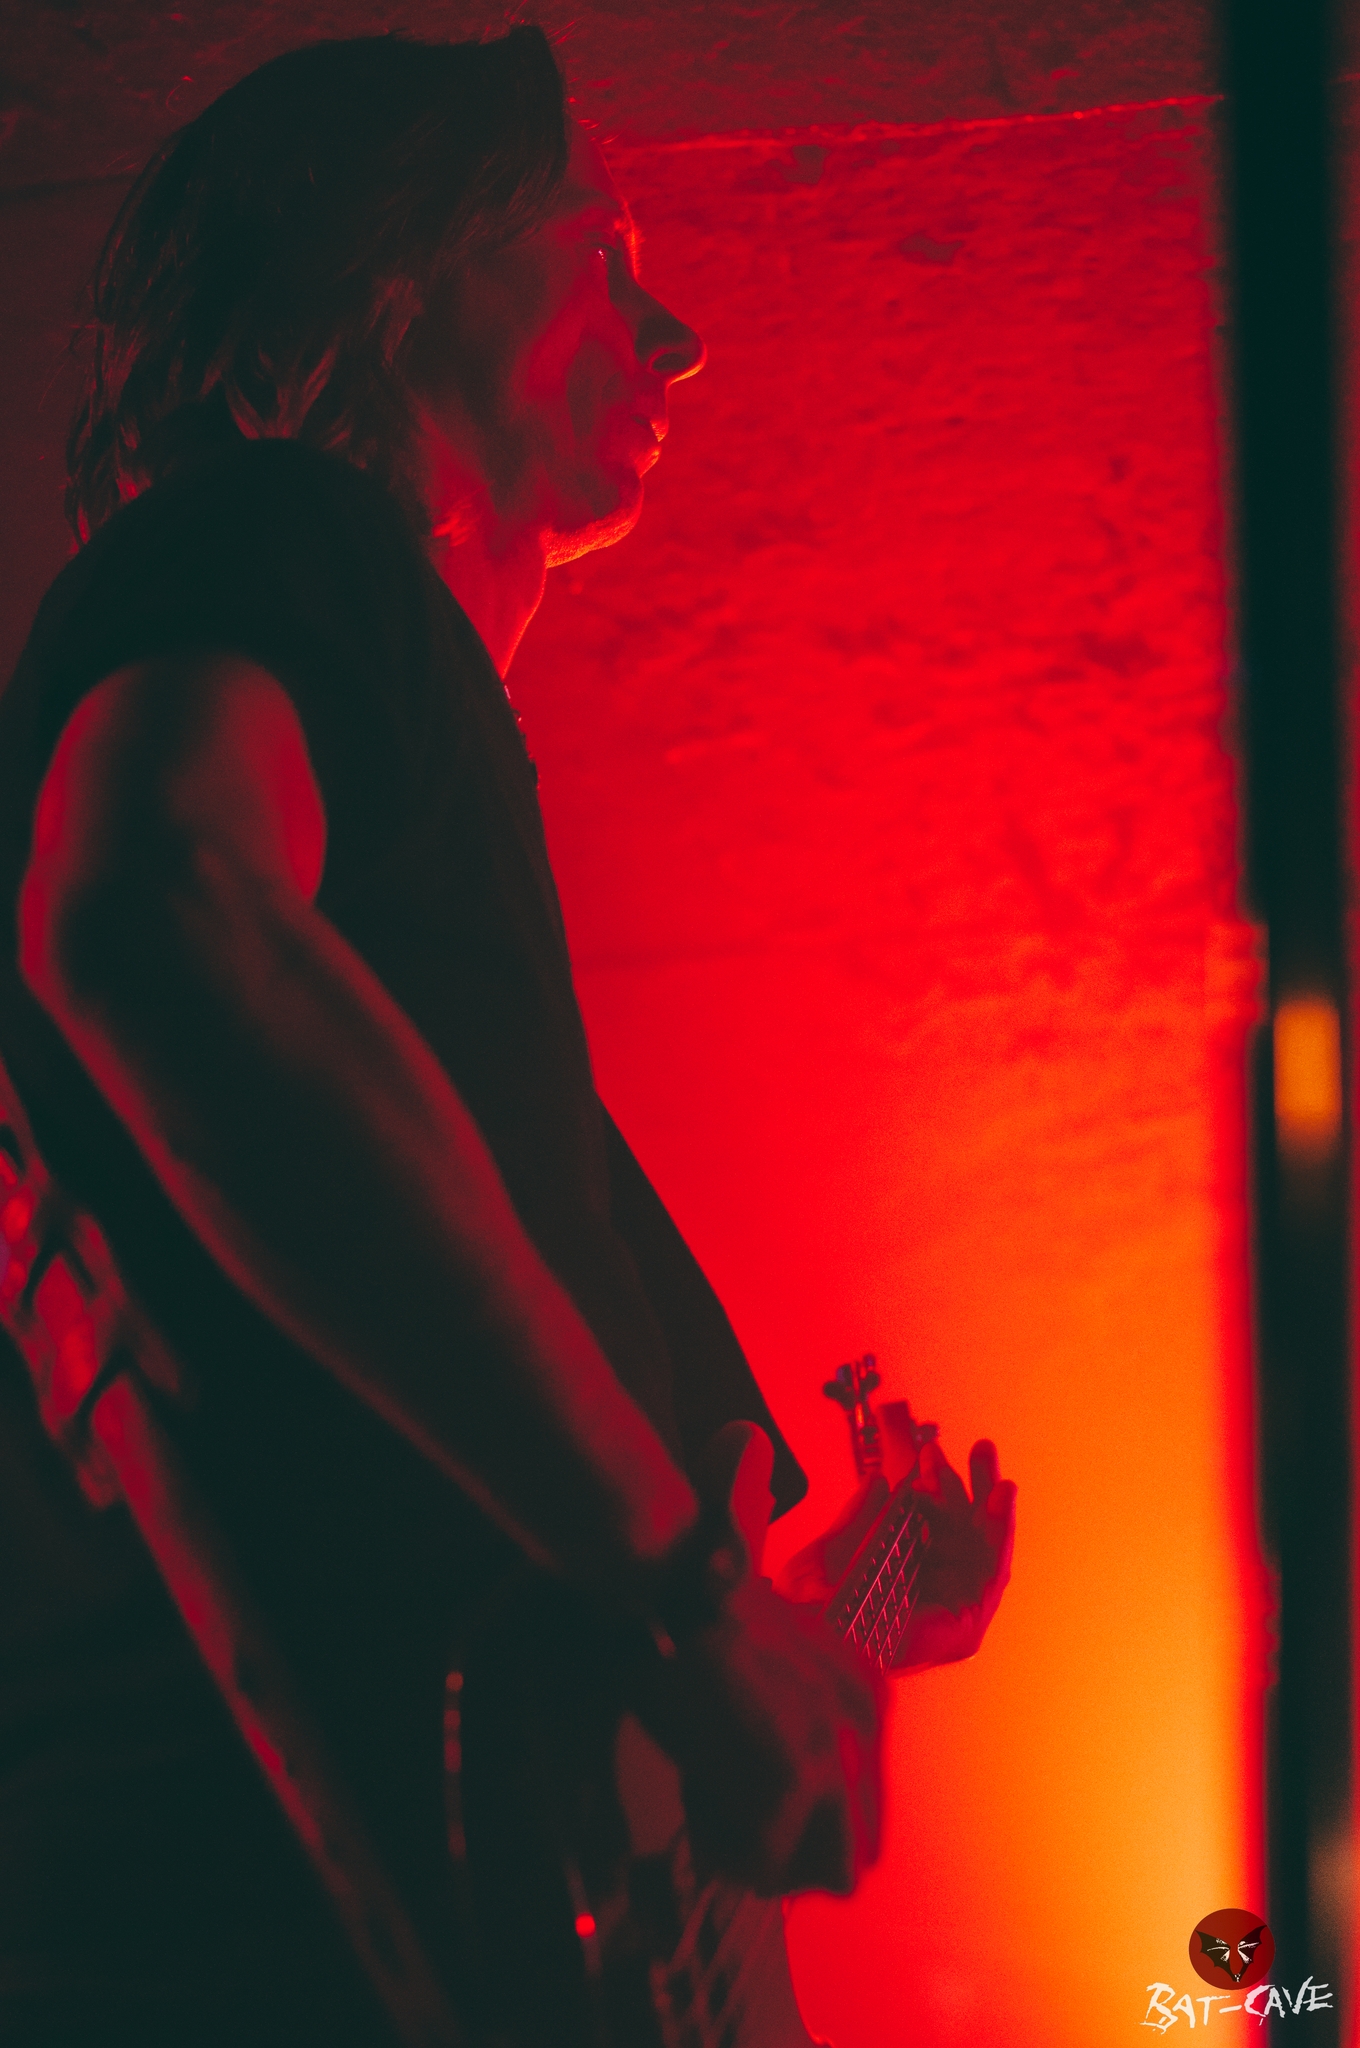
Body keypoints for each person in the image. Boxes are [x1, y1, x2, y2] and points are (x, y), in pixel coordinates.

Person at [0, 26, 1015, 2048]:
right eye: (601, 249)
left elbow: (508, 1616)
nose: (677, 337)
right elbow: (148, 908)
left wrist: (841, 1614)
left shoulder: (435, 976)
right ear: (391, 277)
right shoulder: (287, 532)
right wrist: (692, 1600)